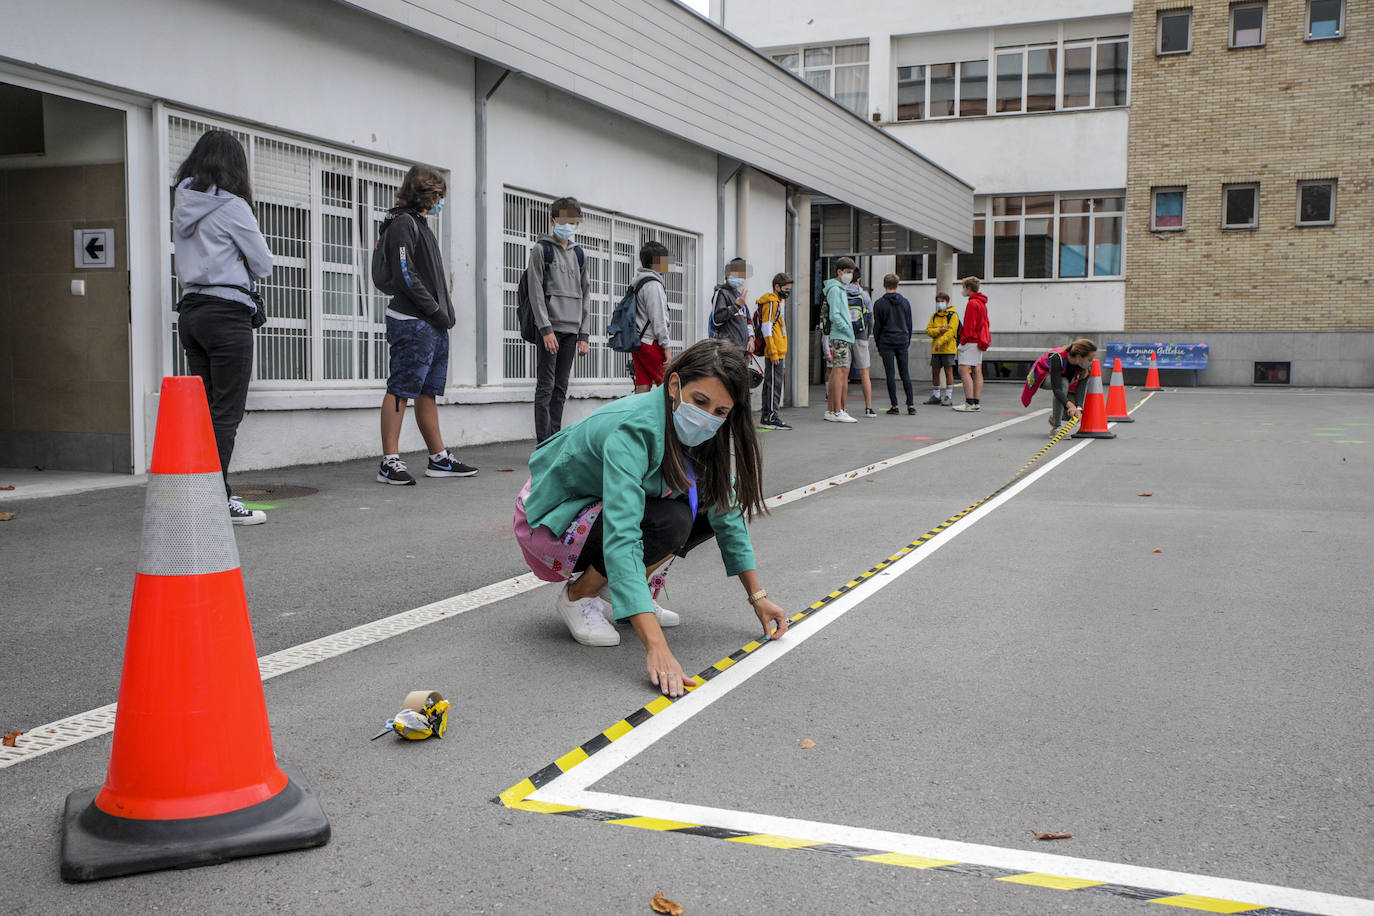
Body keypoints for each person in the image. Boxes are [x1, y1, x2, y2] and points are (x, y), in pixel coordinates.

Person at [514, 339, 790, 698]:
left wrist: (759, 596)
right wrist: (657, 648)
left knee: (705, 502)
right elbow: (622, 534)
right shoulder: (633, 429)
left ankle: (624, 594)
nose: (708, 418)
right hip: (550, 524)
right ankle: (579, 596)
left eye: (721, 412)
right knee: (670, 519)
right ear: (674, 385)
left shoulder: (701, 432)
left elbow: (727, 512)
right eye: (700, 402)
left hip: (596, 513)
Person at [172, 130, 273, 525]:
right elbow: (263, 264)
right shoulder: (232, 207)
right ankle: (217, 498)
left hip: (191, 312)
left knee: (205, 412)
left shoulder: (183, 201)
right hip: (227, 314)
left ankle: (200, 493)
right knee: (226, 413)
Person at [373, 165, 477, 485]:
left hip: (430, 323)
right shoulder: (404, 222)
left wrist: (440, 314)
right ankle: (389, 462)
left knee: (427, 391)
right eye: (437, 195)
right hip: (412, 321)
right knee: (401, 389)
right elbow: (405, 274)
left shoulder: (417, 223)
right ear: (425, 192)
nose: (439, 201)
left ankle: (438, 458)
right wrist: (434, 308)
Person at [527, 196, 592, 443]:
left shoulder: (579, 254)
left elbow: (586, 294)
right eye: (564, 221)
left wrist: (584, 334)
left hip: (572, 330)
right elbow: (535, 293)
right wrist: (545, 329)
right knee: (546, 385)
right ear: (553, 220)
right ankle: (543, 442)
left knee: (561, 388)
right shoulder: (540, 250)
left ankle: (555, 437)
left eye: (574, 222)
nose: (569, 226)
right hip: (550, 330)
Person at [1023, 338, 1097, 435]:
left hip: (1063, 381)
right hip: (1044, 376)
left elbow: (1081, 388)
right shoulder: (1057, 357)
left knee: (1071, 414)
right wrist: (1069, 404)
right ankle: (1056, 427)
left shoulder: (1085, 367)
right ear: (1079, 356)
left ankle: (1055, 418)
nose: (1092, 361)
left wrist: (1078, 408)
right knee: (1063, 383)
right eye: (1090, 359)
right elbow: (1057, 387)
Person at [871, 274, 915, 415]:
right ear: (897, 285)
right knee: (905, 373)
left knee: (890, 374)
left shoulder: (879, 304)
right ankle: (911, 405)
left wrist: (878, 345)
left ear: (884, 285)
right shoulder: (905, 302)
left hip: (886, 341)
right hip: (902, 340)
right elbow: (909, 324)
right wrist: (907, 340)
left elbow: (877, 327)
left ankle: (894, 406)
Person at [631, 240, 672, 393]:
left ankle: (639, 417)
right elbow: (659, 319)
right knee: (668, 384)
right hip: (651, 343)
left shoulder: (638, 281)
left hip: (638, 341)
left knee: (643, 384)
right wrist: (667, 348)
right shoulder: (653, 285)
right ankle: (668, 417)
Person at [822, 257, 858, 423]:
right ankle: (837, 410)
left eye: (851, 273)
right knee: (840, 371)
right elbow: (835, 314)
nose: (849, 276)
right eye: (848, 272)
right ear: (839, 271)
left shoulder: (838, 288)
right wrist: (846, 328)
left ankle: (832, 410)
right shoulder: (836, 290)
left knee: (838, 371)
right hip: (841, 334)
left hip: (840, 335)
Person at [755, 273, 792, 430]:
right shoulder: (772, 303)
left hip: (778, 350)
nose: (787, 292)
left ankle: (768, 415)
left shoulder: (777, 302)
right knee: (773, 385)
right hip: (774, 352)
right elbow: (767, 327)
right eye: (785, 289)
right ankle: (771, 416)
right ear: (777, 287)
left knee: (775, 384)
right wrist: (773, 351)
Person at [952, 276, 991, 413]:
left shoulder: (972, 303)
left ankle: (969, 402)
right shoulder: (982, 303)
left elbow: (969, 325)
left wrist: (963, 340)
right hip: (979, 341)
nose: (963, 290)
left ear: (968, 288)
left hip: (970, 340)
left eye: (963, 287)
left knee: (963, 370)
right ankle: (976, 402)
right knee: (977, 370)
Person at [846, 270, 876, 417]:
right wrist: (867, 333)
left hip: (844, 335)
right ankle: (868, 408)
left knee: (843, 373)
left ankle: (842, 408)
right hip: (861, 335)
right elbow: (870, 318)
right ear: (859, 279)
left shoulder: (841, 292)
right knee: (864, 372)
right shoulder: (864, 295)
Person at [924, 291, 960, 406]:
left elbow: (951, 332)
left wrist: (940, 341)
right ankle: (936, 395)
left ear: (947, 302)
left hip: (948, 349)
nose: (940, 304)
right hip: (936, 349)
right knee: (935, 371)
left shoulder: (952, 315)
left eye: (942, 301)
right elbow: (929, 330)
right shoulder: (934, 316)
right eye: (938, 301)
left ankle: (948, 396)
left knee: (948, 372)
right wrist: (939, 330)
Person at [710, 258, 751, 353]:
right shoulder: (721, 293)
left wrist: (751, 339)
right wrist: (735, 307)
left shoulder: (739, 295)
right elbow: (716, 319)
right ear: (727, 275)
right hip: (728, 351)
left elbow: (748, 320)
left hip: (743, 350)